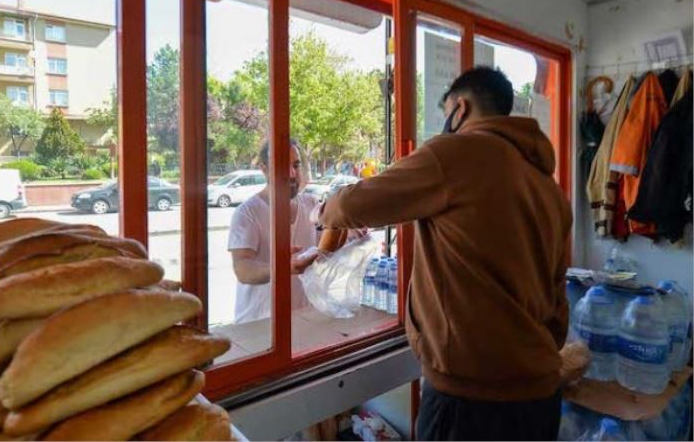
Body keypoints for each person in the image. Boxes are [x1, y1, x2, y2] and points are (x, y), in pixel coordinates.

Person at [319, 67, 572, 441]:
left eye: (446, 112)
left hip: (470, 399)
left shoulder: (455, 153)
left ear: (460, 107)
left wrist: (322, 208)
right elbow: (557, 296)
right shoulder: (547, 186)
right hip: (539, 393)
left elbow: (352, 206)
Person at [228, 139, 321, 324]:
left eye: (296, 165)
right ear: (264, 169)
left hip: (304, 319)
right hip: (259, 325)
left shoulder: (311, 204)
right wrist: (279, 268)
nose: (292, 174)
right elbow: (242, 269)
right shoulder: (248, 212)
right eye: (281, 166)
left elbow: (325, 249)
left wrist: (350, 231)